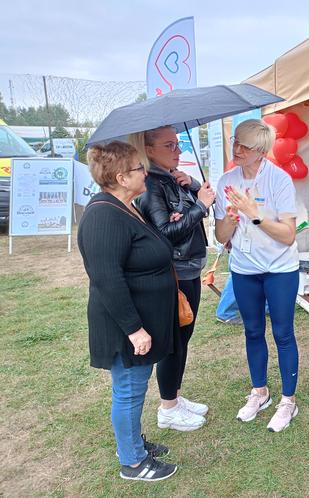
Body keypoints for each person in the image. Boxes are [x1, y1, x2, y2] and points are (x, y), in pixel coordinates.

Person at [77, 141, 178, 481]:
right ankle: (133, 462)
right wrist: (135, 329)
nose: (144, 172)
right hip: (125, 326)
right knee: (129, 391)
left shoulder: (126, 206)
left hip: (141, 318)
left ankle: (133, 443)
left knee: (134, 388)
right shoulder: (103, 215)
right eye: (138, 168)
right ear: (121, 176)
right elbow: (107, 279)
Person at [214, 119, 300, 432]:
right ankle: (259, 392)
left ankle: (288, 401)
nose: (236, 149)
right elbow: (221, 235)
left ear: (261, 152)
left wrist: (255, 214)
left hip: (279, 269)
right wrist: (230, 218)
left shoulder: (279, 181)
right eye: (235, 142)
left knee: (282, 333)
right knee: (252, 330)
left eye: (245, 146)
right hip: (244, 269)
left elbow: (289, 235)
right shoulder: (228, 180)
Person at [129, 126, 216, 431]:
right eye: (169, 145)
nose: (178, 151)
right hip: (175, 273)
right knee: (175, 342)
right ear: (149, 150)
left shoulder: (172, 177)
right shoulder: (152, 184)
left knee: (184, 337)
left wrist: (193, 187)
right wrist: (200, 206)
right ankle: (168, 408)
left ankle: (175, 398)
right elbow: (166, 234)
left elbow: (198, 206)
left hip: (189, 268)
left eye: (178, 145)